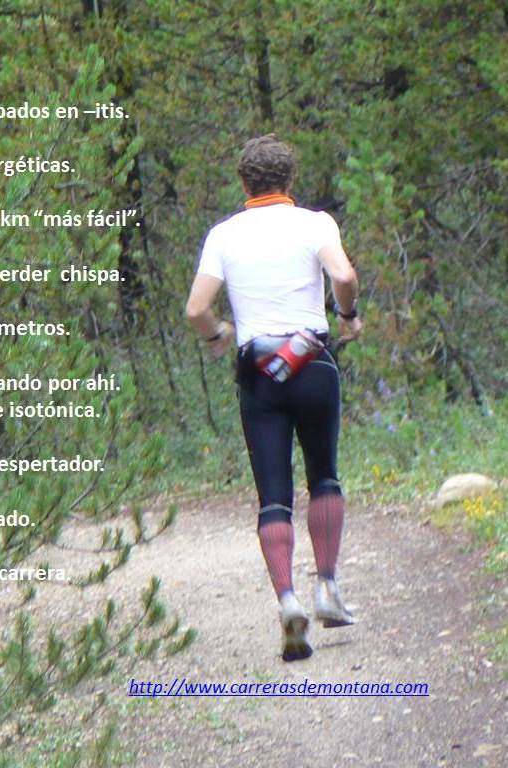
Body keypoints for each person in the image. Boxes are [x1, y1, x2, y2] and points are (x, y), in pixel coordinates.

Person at [184, 134, 364, 661]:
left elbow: (196, 309)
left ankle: (288, 604)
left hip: (259, 373)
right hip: (312, 364)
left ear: (243, 181)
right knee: (324, 475)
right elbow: (344, 275)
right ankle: (326, 587)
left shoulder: (223, 235)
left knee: (274, 495)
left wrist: (217, 334)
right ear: (290, 178)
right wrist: (348, 314)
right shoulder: (316, 224)